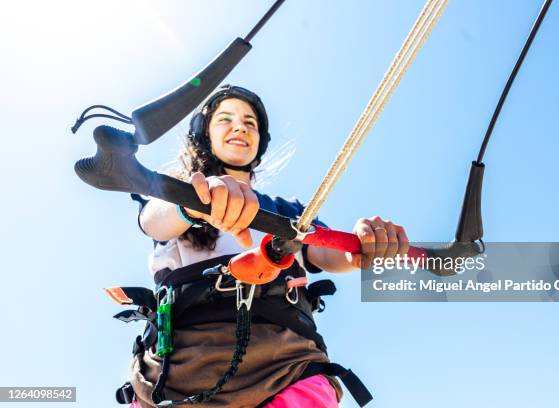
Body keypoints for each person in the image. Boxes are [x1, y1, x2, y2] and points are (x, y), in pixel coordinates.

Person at [127, 84, 409, 408]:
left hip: (286, 369)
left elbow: (325, 252)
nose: (240, 127)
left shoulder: (287, 212)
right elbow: (152, 221)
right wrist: (194, 203)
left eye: (250, 123)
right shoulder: (173, 196)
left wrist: (362, 246)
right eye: (226, 119)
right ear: (204, 134)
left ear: (260, 141)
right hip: (177, 375)